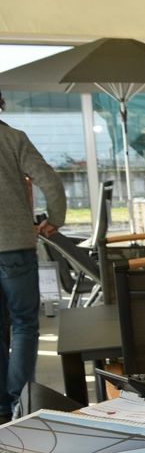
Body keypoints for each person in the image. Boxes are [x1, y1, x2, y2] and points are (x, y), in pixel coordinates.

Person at [0, 91, 65, 421]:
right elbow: (49, 181)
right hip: (14, 246)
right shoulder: (13, 139)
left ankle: (1, 406)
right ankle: (19, 401)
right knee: (24, 324)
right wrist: (55, 218)